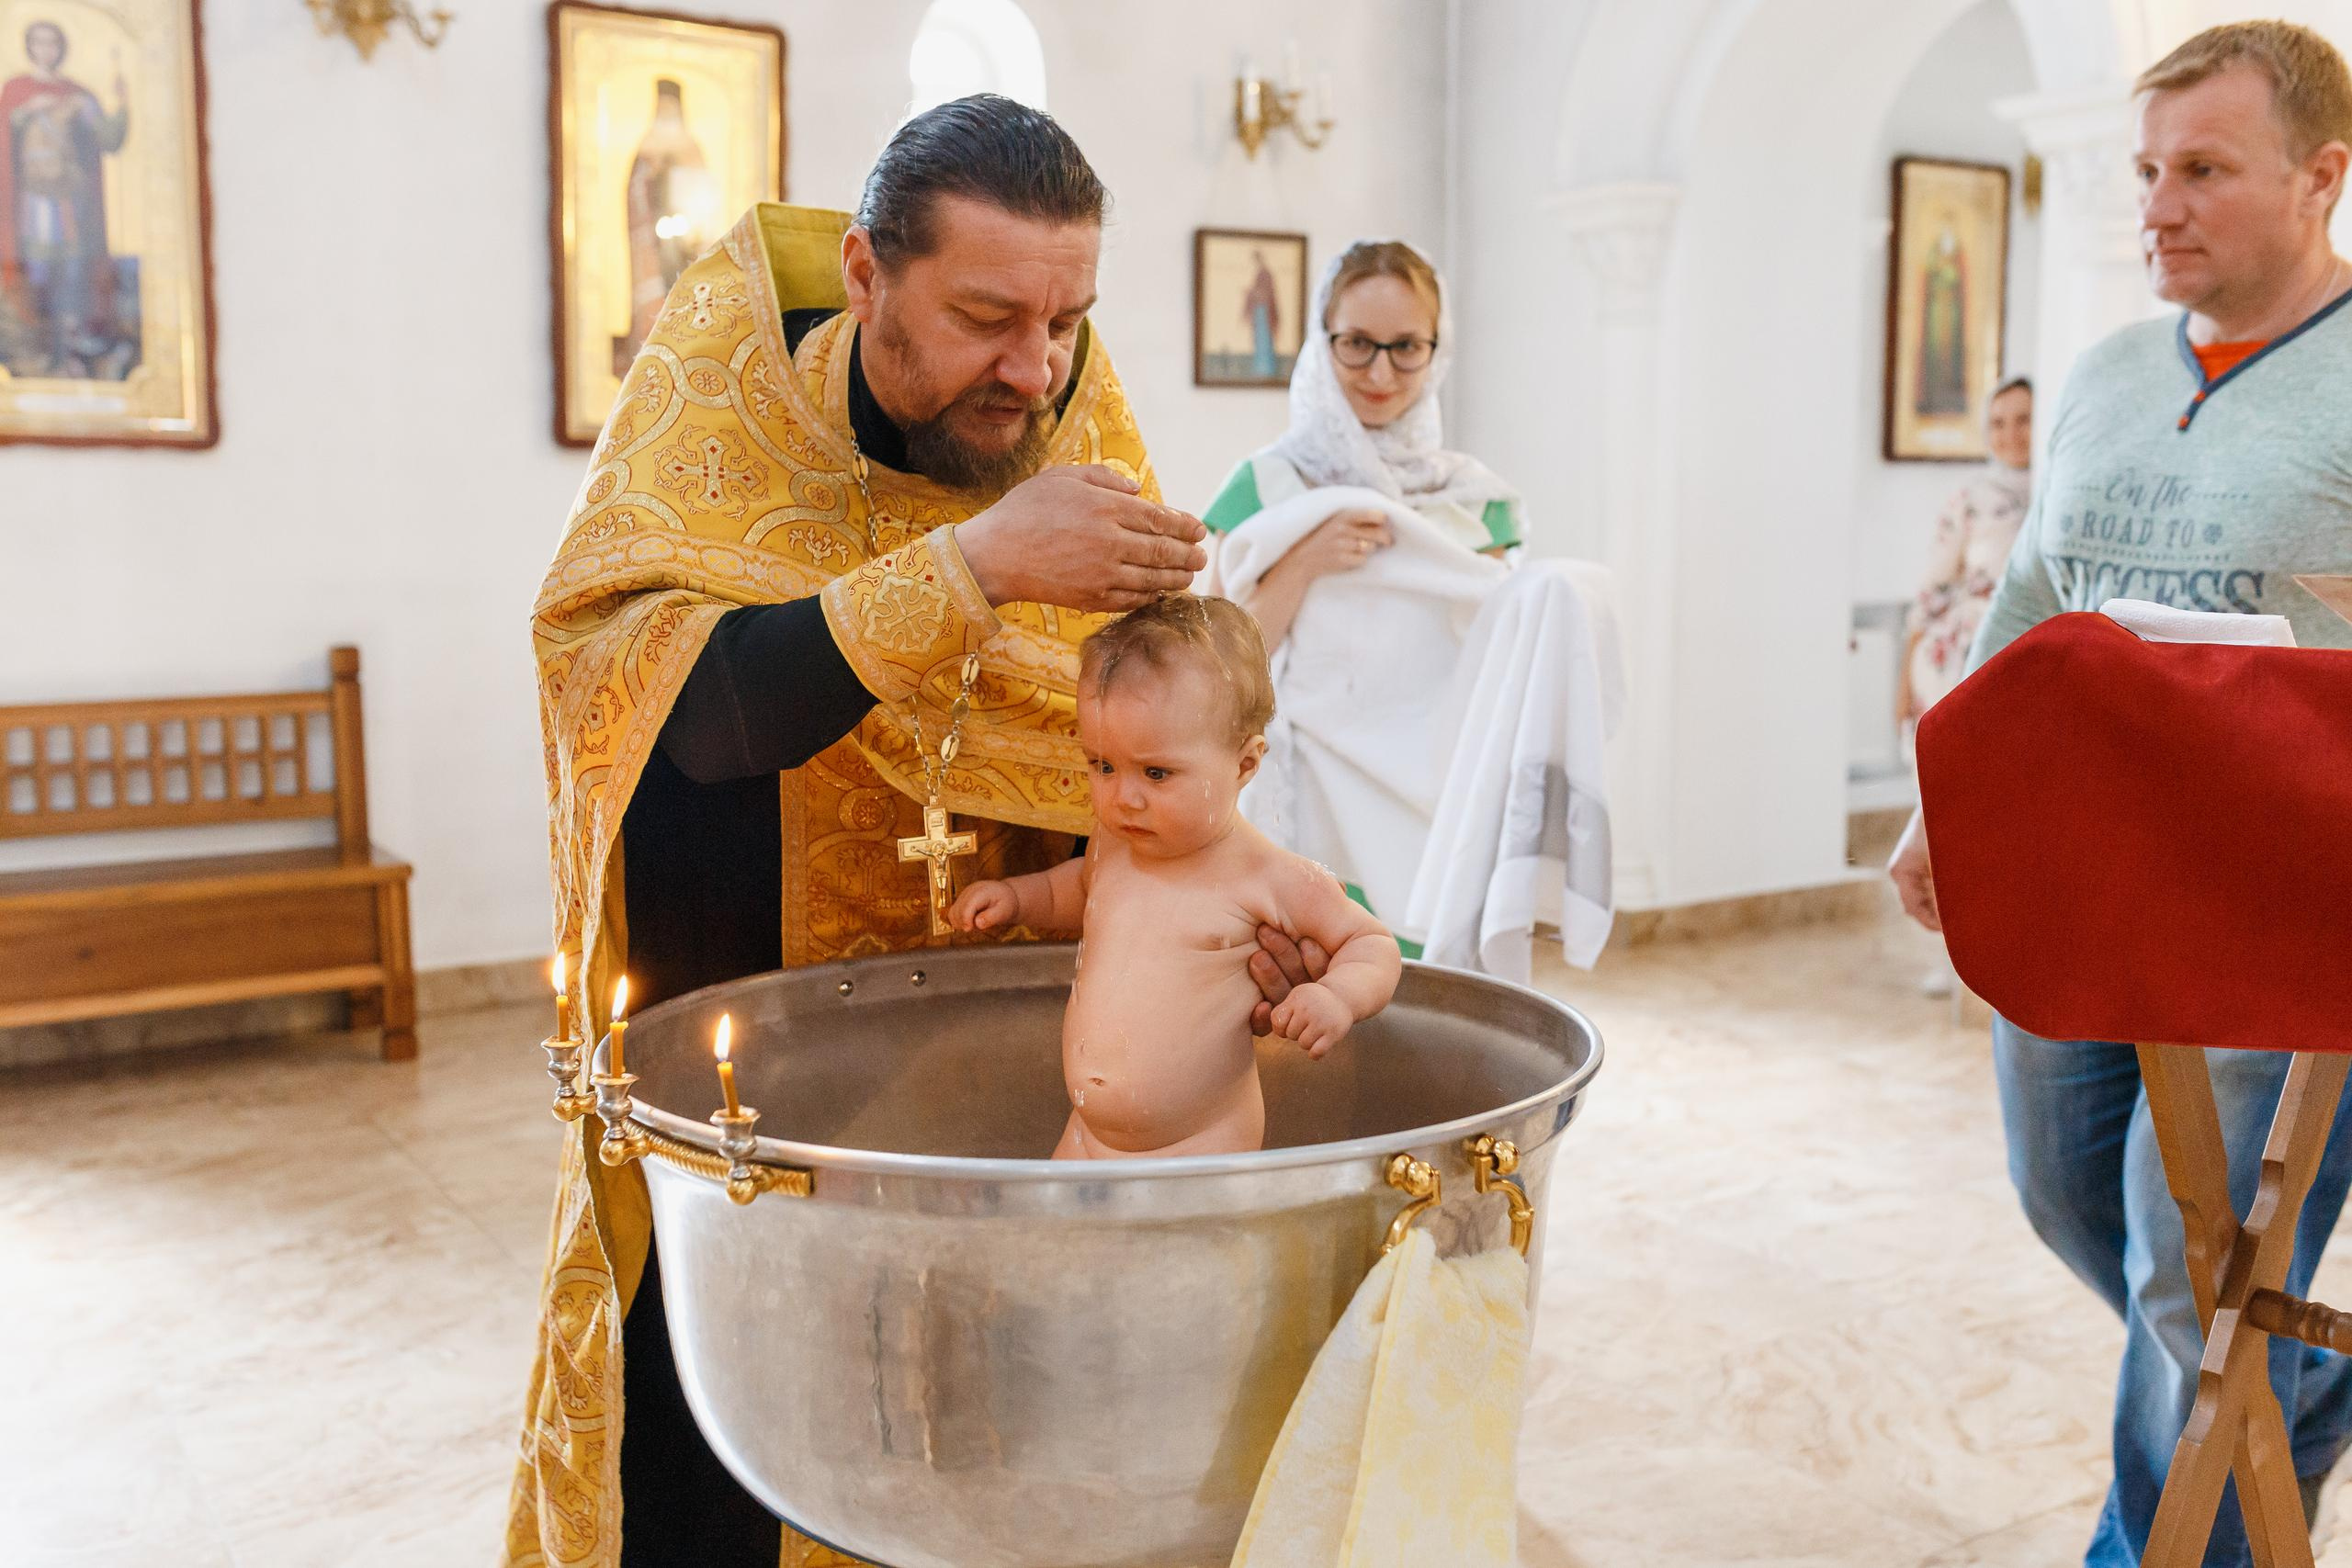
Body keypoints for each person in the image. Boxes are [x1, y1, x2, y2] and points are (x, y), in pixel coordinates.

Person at [512, 96, 1333, 1568]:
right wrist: (967, 566)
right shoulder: (729, 389)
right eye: (986, 316)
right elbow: (658, 704)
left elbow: (1151, 727)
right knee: (717, 1474)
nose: (1036, 369)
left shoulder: (1064, 410)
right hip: (748, 1077)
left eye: (1070, 318)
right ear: (869, 276)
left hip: (998, 1092)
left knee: (995, 1453)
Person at [1889, 23, 2352, 1566]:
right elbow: (2030, 601)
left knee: (2191, 1273)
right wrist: (1938, 809)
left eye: (2203, 169)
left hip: (2282, 909)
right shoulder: (2097, 374)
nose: (2156, 202)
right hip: (2084, 877)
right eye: (2149, 169)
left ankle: (2149, 1549)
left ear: (2323, 177)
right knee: (2066, 1194)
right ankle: (2301, 1375)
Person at [950, 594, 1402, 1158]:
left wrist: (1336, 997)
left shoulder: (1269, 877)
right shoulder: (1115, 845)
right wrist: (1018, 898)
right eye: (1102, 765)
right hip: (1087, 1135)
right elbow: (1076, 890)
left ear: (1244, 764)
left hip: (1198, 1144)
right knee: (1056, 1245)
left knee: (1186, 1249)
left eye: (1156, 772)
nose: (1123, 797)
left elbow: (1372, 944)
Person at [0, 20, 130, 378]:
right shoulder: (15, 91)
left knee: (72, 274)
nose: (47, 51)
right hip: (30, 205)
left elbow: (109, 139)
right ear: (30, 48)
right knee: (35, 272)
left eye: (53, 44)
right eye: (39, 44)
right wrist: (27, 111)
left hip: (71, 204)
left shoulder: (79, 94)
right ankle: (36, 351)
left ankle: (71, 349)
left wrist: (121, 101)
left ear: (62, 49)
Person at [1902, 376, 2033, 720]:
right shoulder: (1972, 497)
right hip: (1961, 665)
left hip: (2034, 661)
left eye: (2024, 420)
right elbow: (1932, 590)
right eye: (1998, 423)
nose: (2011, 434)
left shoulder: (2060, 496)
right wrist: (1902, 687)